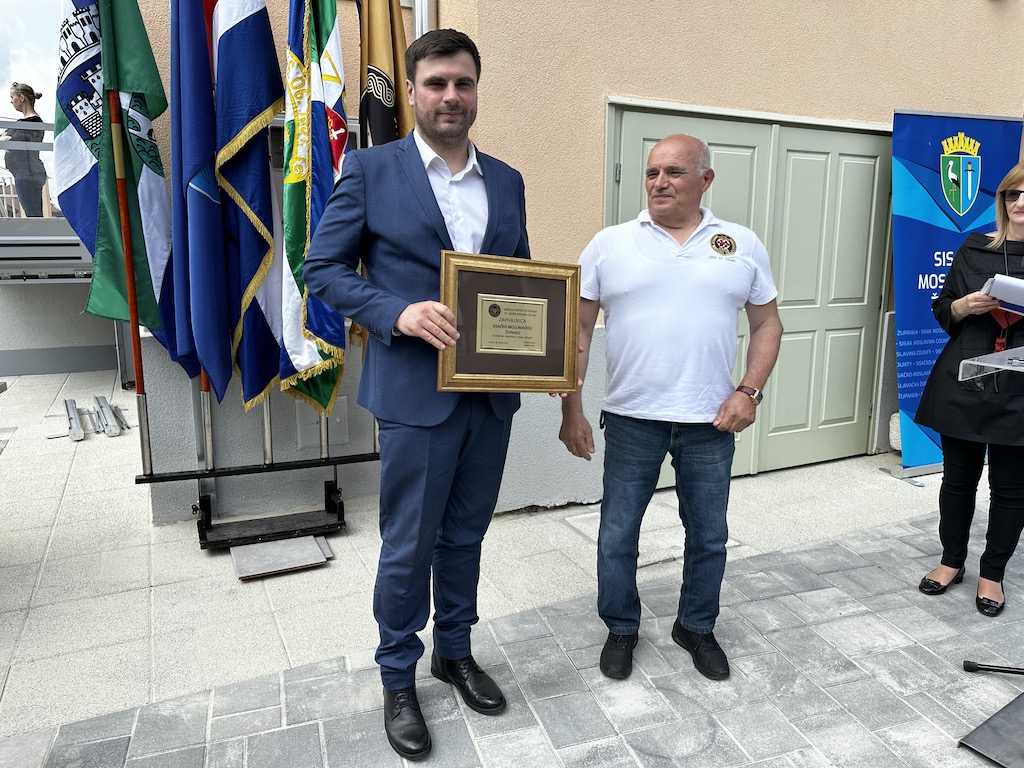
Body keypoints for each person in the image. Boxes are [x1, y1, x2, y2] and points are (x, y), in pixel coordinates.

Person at [304, 29, 529, 761]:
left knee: (466, 535)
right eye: (436, 83)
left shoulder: (508, 180)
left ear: (476, 88)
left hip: (489, 396)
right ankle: (397, 676)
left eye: (463, 83)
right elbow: (322, 270)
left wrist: (544, 350)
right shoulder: (371, 170)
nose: (450, 96)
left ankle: (454, 652)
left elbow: (522, 281)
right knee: (409, 544)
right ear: (410, 92)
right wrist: (396, 313)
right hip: (413, 394)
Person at [559, 134, 782, 682]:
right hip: (632, 419)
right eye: (652, 172)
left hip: (711, 422)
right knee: (617, 533)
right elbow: (576, 333)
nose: (659, 182)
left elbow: (767, 324)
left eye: (674, 172)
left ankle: (696, 626)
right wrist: (571, 410)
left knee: (708, 535)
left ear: (706, 179)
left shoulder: (741, 243)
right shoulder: (609, 245)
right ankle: (621, 626)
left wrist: (749, 392)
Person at [914, 161, 1024, 618]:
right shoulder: (975, 247)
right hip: (966, 380)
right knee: (958, 481)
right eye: (1012, 195)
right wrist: (964, 304)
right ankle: (951, 560)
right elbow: (945, 311)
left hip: (1019, 389)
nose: (1020, 203)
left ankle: (992, 573)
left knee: (1012, 490)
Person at [2, 82, 47, 217]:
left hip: (28, 172)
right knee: (34, 214)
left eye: (12, 97)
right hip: (27, 172)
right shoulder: (23, 123)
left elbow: (13, 142)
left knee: (33, 215)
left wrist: (8, 139)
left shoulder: (34, 122)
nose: (11, 101)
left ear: (22, 97)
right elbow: (4, 139)